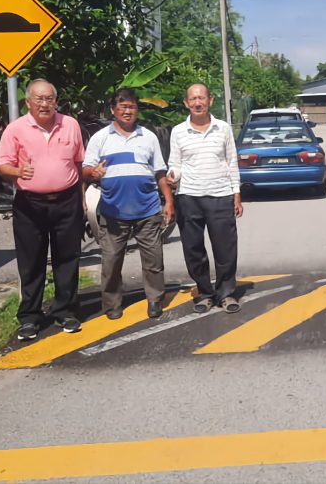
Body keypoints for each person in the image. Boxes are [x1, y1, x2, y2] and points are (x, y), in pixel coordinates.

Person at [0, 79, 84, 341]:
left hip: (67, 201)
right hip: (30, 204)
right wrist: (18, 171)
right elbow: (3, 166)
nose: (44, 104)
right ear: (28, 103)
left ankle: (65, 311)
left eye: (49, 99)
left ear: (56, 101)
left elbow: (79, 163)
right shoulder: (15, 130)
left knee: (67, 258)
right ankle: (30, 317)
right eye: (39, 99)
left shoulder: (70, 124)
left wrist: (80, 199)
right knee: (31, 261)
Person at [83, 88, 175, 320]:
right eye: (123, 107)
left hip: (148, 209)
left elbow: (160, 171)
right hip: (113, 210)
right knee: (111, 262)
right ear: (113, 110)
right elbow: (85, 170)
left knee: (153, 260)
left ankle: (155, 299)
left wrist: (169, 201)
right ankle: (112, 304)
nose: (127, 111)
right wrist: (94, 172)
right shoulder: (101, 138)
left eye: (132, 106)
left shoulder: (149, 137)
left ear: (137, 110)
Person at [167, 84, 243, 314]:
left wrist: (236, 194)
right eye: (192, 99)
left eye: (201, 98)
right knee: (193, 249)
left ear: (210, 100)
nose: (197, 102)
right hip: (188, 197)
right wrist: (173, 175)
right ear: (186, 103)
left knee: (225, 249)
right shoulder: (178, 131)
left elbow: (232, 162)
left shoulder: (223, 129)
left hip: (221, 196)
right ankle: (205, 293)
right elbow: (175, 163)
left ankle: (226, 293)